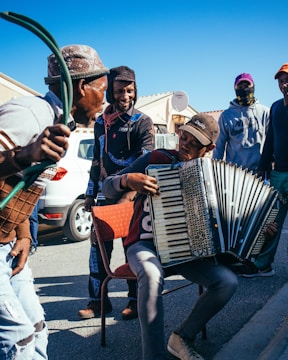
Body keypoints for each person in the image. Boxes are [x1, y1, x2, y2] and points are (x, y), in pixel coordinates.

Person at [0, 43, 109, 359]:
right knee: (17, 341)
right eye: (101, 89)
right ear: (82, 87)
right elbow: (18, 163)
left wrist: (23, 234)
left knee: (35, 329)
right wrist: (25, 154)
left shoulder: (59, 122)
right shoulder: (30, 114)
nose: (105, 100)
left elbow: (20, 186)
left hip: (9, 247)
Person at [102, 114, 238, 360]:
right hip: (144, 244)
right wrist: (127, 180)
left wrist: (259, 230)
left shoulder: (214, 176)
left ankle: (182, 337)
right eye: (183, 135)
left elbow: (231, 220)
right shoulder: (157, 159)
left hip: (185, 251)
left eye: (194, 141)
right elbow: (107, 186)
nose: (184, 143)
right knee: (152, 274)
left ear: (209, 149)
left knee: (227, 282)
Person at [78, 66, 155, 321]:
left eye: (130, 90)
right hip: (104, 194)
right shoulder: (101, 122)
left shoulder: (142, 122)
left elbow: (147, 162)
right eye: (120, 90)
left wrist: (128, 196)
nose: (126, 95)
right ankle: (98, 301)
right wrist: (90, 193)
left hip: (132, 197)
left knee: (132, 248)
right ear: (111, 91)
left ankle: (134, 301)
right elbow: (97, 160)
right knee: (98, 249)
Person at [241, 63, 288, 278]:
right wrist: (263, 167)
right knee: (272, 222)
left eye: (286, 80)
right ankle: (263, 264)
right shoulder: (276, 107)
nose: (284, 84)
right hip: (279, 173)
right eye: (280, 81)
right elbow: (270, 140)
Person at [213, 73, 270, 173]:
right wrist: (216, 171)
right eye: (240, 87)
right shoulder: (226, 116)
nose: (244, 89)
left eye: (247, 86)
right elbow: (219, 147)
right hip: (235, 174)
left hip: (260, 172)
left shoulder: (265, 112)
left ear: (253, 87)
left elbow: (271, 142)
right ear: (235, 89)